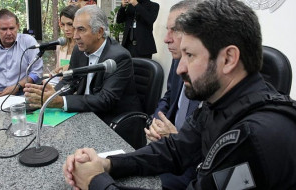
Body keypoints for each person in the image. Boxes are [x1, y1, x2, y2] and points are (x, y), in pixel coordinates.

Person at [63, 0, 296, 189]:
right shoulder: (218, 103)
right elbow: (173, 151)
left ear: (228, 59)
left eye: (190, 56)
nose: (180, 68)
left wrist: (95, 182)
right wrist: (107, 164)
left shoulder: (253, 137)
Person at [24, 5, 142, 126]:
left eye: (81, 29)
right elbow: (68, 81)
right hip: (85, 115)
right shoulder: (79, 50)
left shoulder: (119, 57)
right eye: (74, 29)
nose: (75, 36)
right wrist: (51, 94)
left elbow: (105, 100)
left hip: (113, 121)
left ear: (99, 32)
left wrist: (61, 101)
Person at [144, 1, 199, 189]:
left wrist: (177, 139)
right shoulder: (178, 60)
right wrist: (156, 121)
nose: (166, 39)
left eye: (175, 30)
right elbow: (168, 97)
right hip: (167, 148)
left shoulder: (211, 76)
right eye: (167, 30)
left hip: (191, 168)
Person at [0, 9, 43, 99]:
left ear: (17, 26)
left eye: (12, 28)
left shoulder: (28, 41)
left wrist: (18, 86)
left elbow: (36, 72)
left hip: (23, 93)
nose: (9, 33)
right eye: (4, 29)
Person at [53, 5, 80, 75]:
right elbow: (58, 69)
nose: (66, 29)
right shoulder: (61, 45)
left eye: (70, 24)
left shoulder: (84, 46)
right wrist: (53, 73)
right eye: (63, 24)